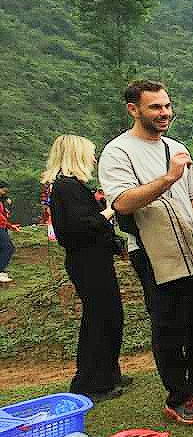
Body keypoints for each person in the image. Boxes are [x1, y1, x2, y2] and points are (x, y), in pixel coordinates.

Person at [98, 80, 193, 425]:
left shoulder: (175, 147)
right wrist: (168, 177)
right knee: (169, 323)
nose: (165, 113)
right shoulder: (118, 152)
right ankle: (179, 396)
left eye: (167, 106)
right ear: (134, 109)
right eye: (156, 107)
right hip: (152, 249)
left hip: (191, 243)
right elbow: (122, 202)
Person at [42, 135, 126, 401]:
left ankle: (108, 374)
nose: (93, 159)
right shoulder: (66, 188)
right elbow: (77, 228)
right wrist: (109, 212)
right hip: (86, 262)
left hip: (94, 260)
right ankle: (90, 383)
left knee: (110, 316)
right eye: (90, 154)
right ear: (76, 156)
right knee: (99, 319)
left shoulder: (71, 187)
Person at [0, 181, 17, 284]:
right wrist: (10, 226)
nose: (5, 192)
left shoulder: (2, 200)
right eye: (3, 190)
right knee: (8, 248)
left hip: (3, 226)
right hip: (1, 227)